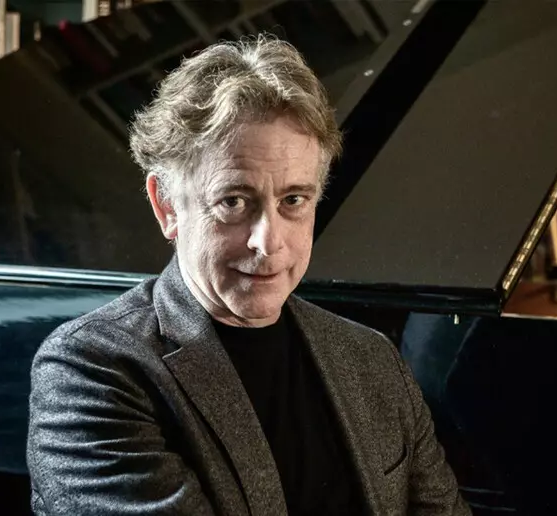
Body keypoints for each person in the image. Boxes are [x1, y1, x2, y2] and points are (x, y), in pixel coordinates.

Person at [26, 35, 471, 516]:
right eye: (234, 202)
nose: (268, 241)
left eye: (293, 200)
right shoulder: (90, 372)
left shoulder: (372, 359)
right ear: (167, 206)